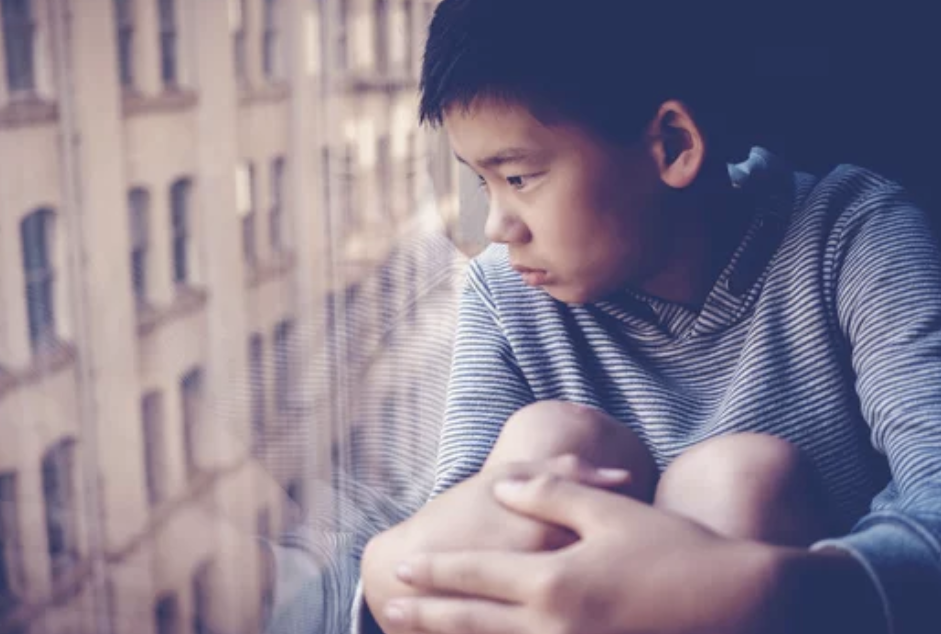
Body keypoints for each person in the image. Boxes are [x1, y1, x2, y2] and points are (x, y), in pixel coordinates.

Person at [356, 1, 941, 633]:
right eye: (482, 184)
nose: (498, 227)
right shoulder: (507, 293)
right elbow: (459, 541)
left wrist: (770, 590)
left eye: (520, 177)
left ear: (673, 145)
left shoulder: (852, 238)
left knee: (738, 482)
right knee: (547, 442)